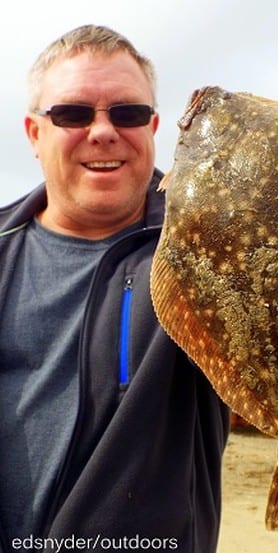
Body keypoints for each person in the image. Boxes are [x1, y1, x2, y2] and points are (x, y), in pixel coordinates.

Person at [0, 25, 229, 552]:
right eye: (73, 114)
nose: (102, 131)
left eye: (125, 113)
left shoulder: (208, 253)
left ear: (153, 128)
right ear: (35, 133)